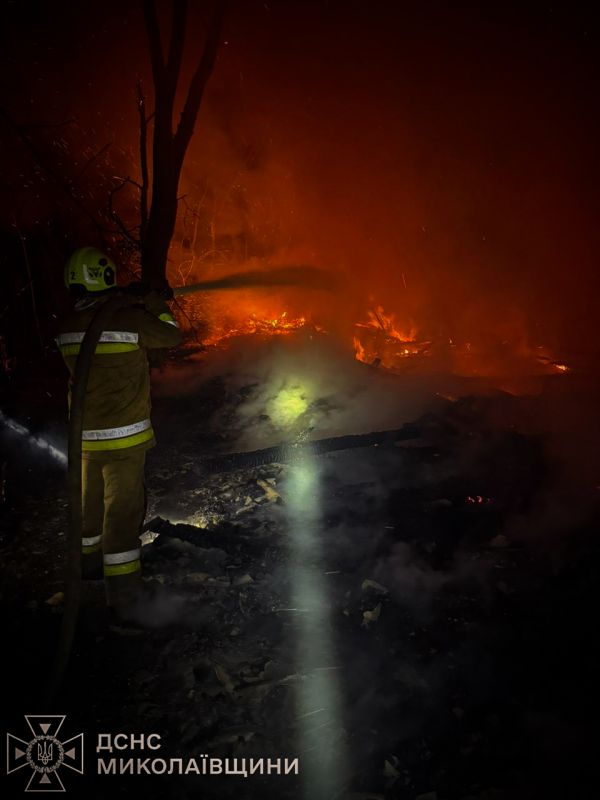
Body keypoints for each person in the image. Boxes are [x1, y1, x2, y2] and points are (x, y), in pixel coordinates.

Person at [56, 246, 182, 618]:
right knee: (122, 515)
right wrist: (156, 305)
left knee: (89, 510)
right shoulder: (130, 320)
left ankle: (87, 567)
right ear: (107, 278)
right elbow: (171, 336)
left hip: (83, 438)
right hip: (124, 439)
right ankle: (125, 598)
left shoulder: (65, 326)